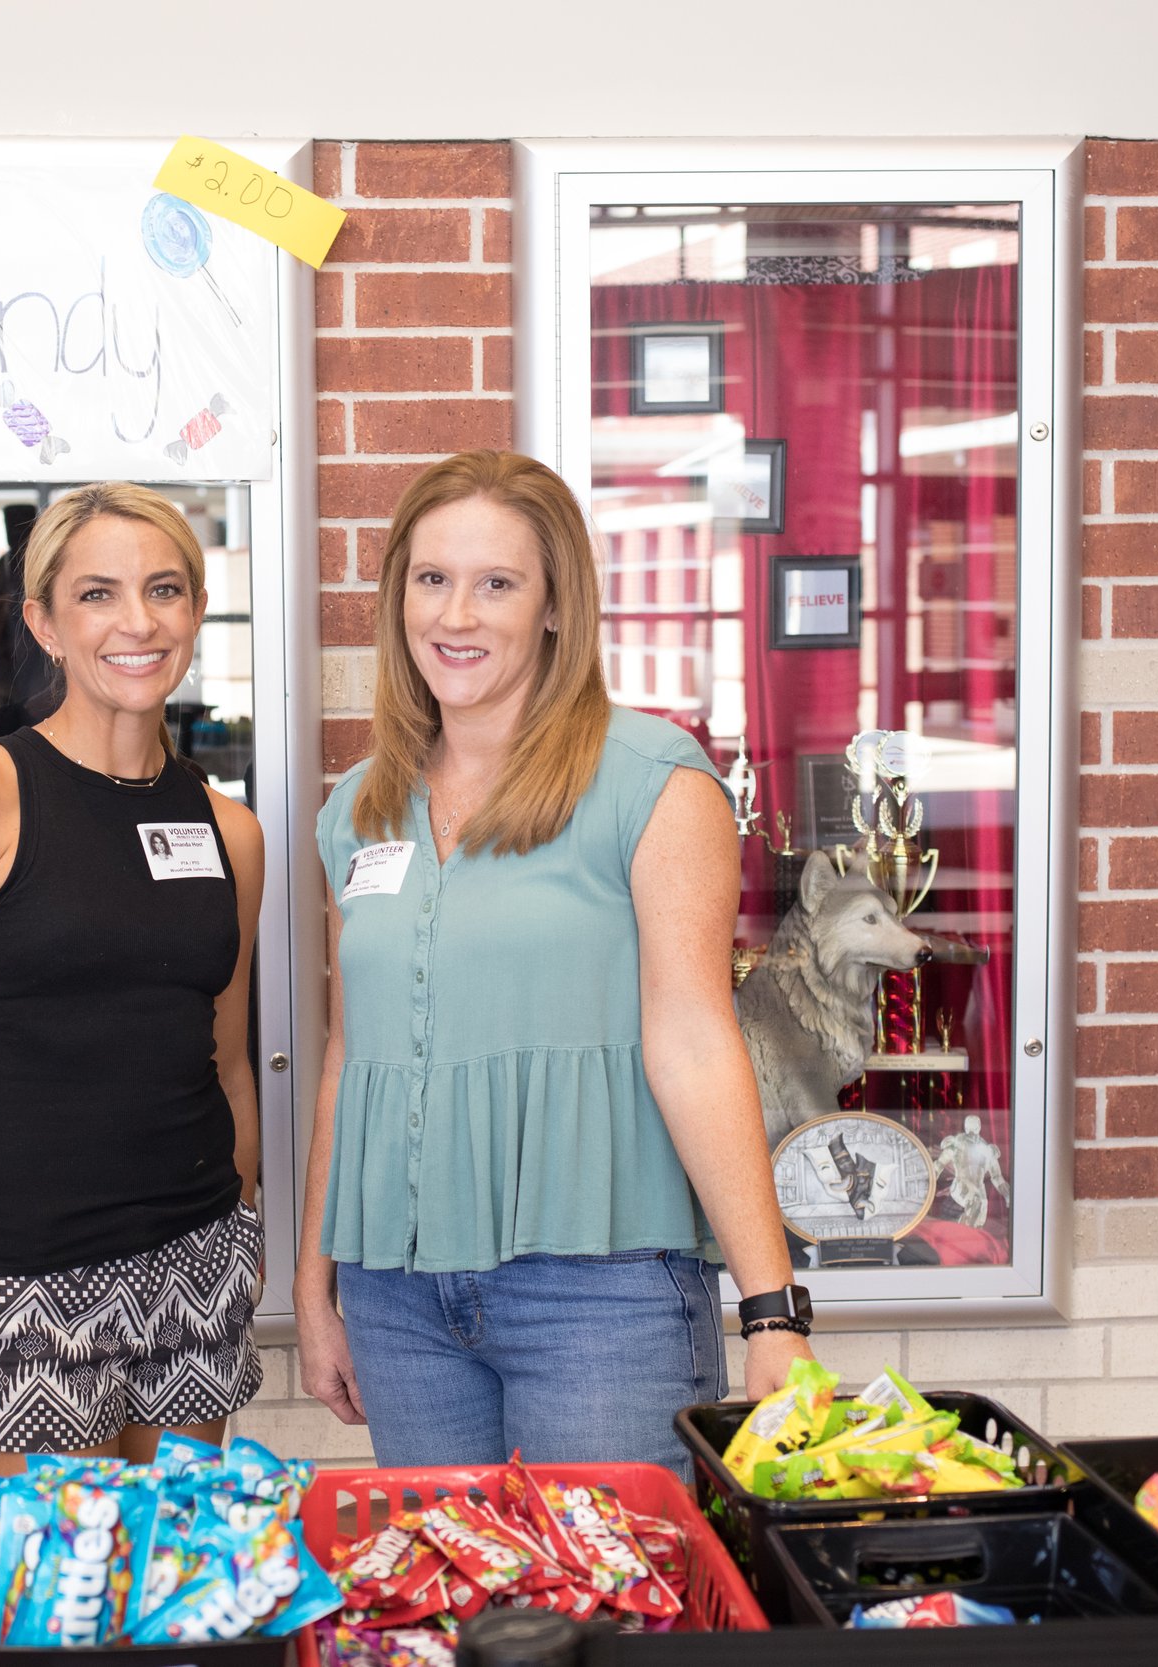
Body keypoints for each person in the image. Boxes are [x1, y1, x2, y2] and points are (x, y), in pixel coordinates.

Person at [297, 450, 816, 1478]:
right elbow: (352, 1056)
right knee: (448, 1616)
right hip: (398, 1303)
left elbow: (695, 1039)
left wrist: (771, 1310)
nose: (458, 614)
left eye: (497, 582)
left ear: (552, 607)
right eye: (432, 578)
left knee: (611, 1618)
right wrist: (317, 1291)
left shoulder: (653, 784)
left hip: (600, 1296)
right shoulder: (357, 807)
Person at [0, 481, 267, 1474]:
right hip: (26, 1281)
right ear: (43, 621)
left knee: (182, 1605)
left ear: (194, 610)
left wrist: (241, 1235)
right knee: (58, 1615)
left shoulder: (231, 831)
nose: (136, 621)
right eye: (97, 594)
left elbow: (224, 1062)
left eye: (164, 589)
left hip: (195, 1266)